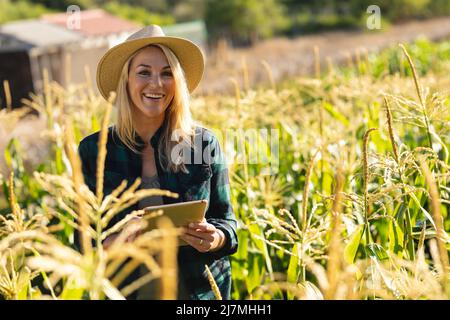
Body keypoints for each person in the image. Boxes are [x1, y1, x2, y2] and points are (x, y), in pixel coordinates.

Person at [77, 25, 238, 300]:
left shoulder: (203, 143)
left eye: (167, 73)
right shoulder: (94, 151)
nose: (157, 84)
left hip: (198, 290)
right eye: (144, 72)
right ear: (125, 79)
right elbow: (82, 246)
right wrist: (119, 240)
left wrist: (216, 238)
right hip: (127, 290)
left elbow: (227, 222)